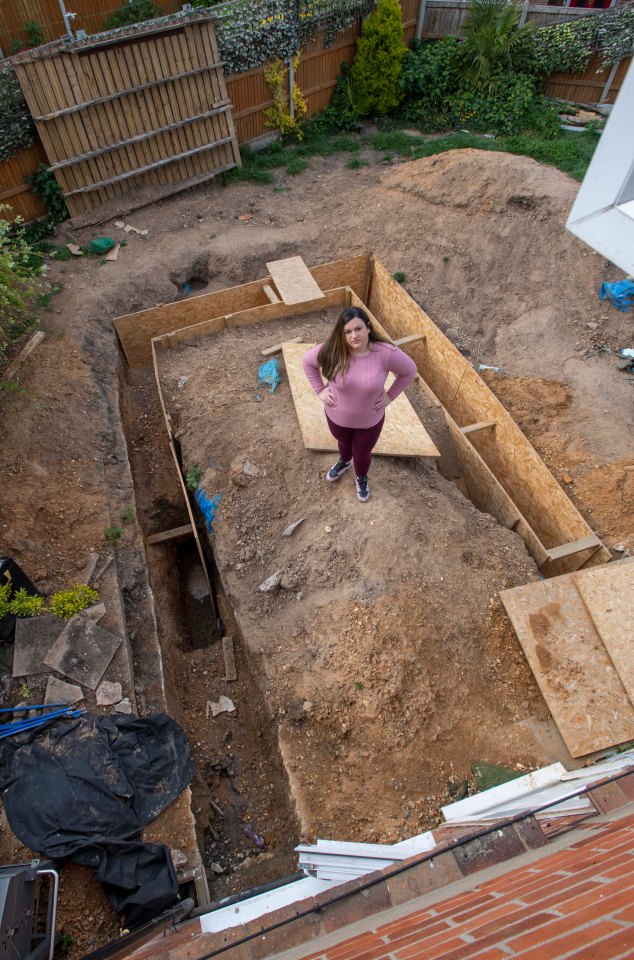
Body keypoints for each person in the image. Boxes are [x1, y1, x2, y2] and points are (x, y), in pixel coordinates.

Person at [302, 306, 417, 502]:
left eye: (358, 329)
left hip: (369, 421)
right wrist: (320, 390)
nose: (353, 335)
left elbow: (409, 370)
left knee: (362, 452)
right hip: (337, 417)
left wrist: (390, 396)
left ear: (368, 328)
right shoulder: (333, 349)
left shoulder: (385, 353)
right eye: (347, 331)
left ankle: (361, 477)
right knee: (344, 443)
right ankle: (344, 462)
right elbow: (308, 362)